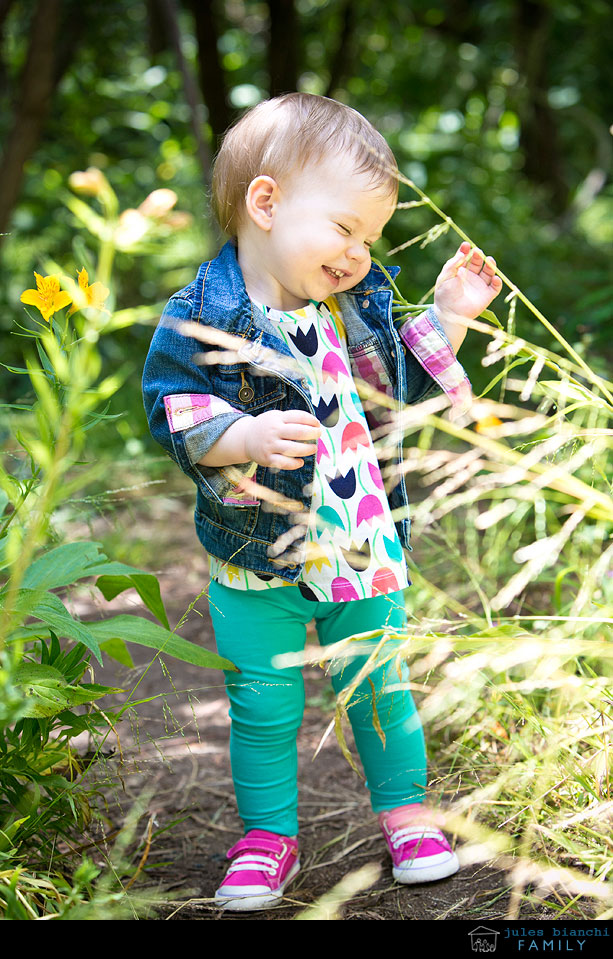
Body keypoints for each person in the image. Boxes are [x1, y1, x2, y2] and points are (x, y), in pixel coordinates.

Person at [142, 92, 502, 912]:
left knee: (379, 684)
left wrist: (447, 316)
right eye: (344, 229)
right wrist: (243, 437)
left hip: (359, 539)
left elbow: (399, 394)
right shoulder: (203, 316)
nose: (356, 255)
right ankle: (267, 834)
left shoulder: (358, 306)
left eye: (369, 238)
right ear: (265, 203)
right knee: (263, 701)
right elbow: (171, 408)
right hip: (253, 554)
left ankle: (406, 812)